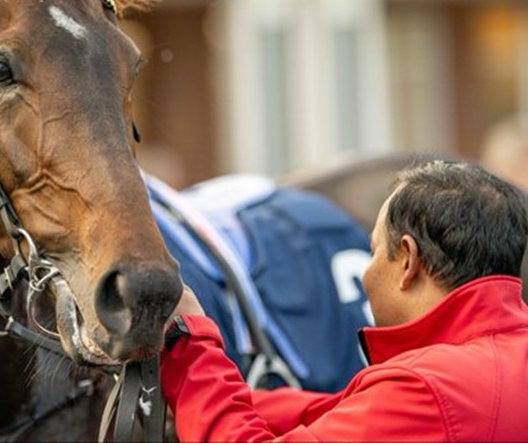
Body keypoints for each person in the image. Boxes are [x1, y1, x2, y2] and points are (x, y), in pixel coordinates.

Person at [160, 160, 528, 441]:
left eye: (374, 252)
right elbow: (339, 408)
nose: (367, 272)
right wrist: (240, 396)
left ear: (408, 260)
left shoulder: (427, 388)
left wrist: (190, 349)